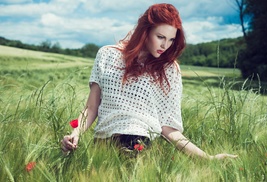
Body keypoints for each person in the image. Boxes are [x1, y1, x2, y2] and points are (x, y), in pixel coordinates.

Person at [61, 3, 237, 160]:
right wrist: (75, 133)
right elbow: (91, 108)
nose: (165, 45)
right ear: (145, 32)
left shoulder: (170, 70)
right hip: (102, 145)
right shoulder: (107, 55)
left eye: (171, 39)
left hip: (138, 144)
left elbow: (168, 129)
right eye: (160, 37)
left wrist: (207, 158)